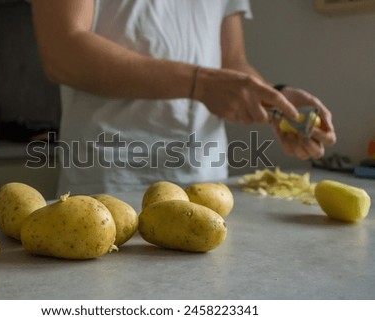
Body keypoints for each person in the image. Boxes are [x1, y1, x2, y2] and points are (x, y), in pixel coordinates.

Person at [30, 0, 336, 195]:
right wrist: (200, 84)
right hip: (112, 177)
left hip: (206, 177)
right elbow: (62, 50)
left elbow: (231, 61)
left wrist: (276, 102)